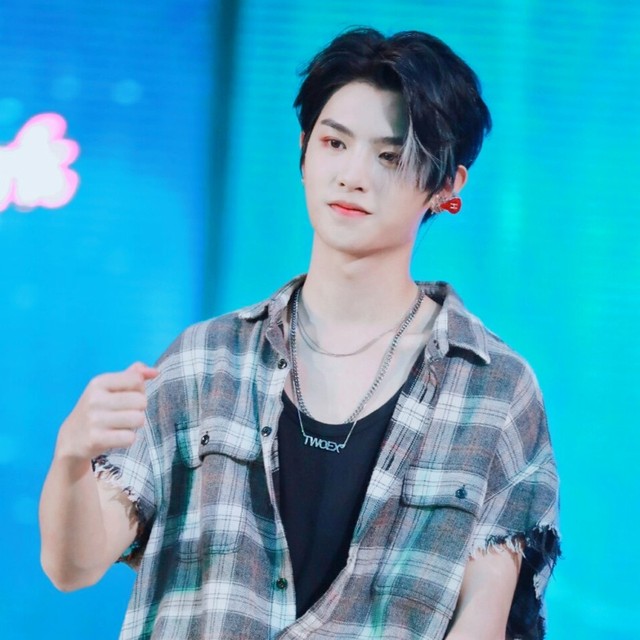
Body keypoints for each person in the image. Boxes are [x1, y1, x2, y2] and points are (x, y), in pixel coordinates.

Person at [39, 27, 560, 640]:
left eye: (390, 156)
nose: (353, 175)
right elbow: (72, 566)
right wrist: (71, 459)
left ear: (447, 188)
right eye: (334, 143)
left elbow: (482, 619)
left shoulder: (494, 389)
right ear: (304, 153)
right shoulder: (204, 362)